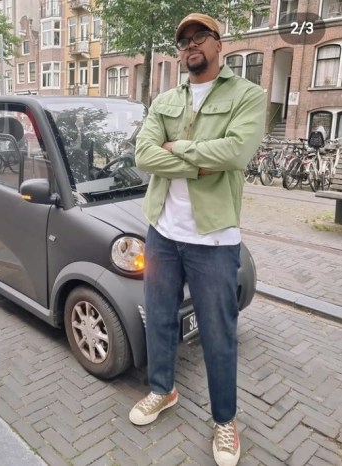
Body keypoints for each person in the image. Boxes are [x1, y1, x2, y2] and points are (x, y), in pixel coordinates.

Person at [129, 13, 266, 466]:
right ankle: (162, 390)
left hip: (215, 239)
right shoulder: (165, 99)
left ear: (218, 44)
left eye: (199, 36)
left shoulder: (247, 95)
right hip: (163, 232)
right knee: (160, 318)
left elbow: (236, 152)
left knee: (218, 333)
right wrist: (201, 163)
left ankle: (225, 420)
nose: (190, 45)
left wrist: (176, 149)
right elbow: (144, 155)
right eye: (184, 40)